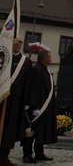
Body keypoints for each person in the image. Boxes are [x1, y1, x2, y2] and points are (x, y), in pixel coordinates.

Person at [0, 37, 33, 166]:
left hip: (16, 101)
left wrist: (27, 102)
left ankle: (4, 155)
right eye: (15, 42)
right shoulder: (3, 58)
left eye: (20, 43)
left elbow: (28, 83)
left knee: (10, 129)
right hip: (2, 98)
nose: (18, 44)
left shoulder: (26, 62)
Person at [22, 50, 57, 163]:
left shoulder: (45, 70)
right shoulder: (36, 69)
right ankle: (27, 155)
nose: (51, 59)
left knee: (41, 132)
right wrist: (34, 106)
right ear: (44, 58)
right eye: (50, 57)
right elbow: (33, 89)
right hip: (37, 108)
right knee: (31, 132)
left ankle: (39, 153)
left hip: (45, 108)